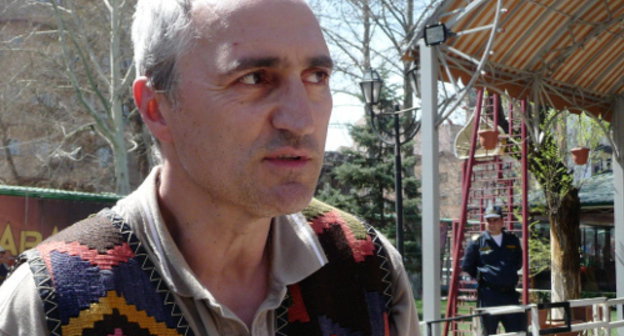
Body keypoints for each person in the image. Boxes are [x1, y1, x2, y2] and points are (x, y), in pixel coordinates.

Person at [0, 0, 419, 335]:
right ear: (157, 107)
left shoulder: (368, 268)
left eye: (317, 76)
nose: (301, 119)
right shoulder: (52, 300)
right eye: (255, 79)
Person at [461, 205, 524, 335]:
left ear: (502, 221)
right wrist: (484, 277)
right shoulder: (478, 242)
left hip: (510, 294)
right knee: (489, 332)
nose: (492, 224)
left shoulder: (512, 240)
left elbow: (518, 263)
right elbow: (467, 266)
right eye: (489, 220)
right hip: (489, 295)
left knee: (517, 332)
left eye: (495, 220)